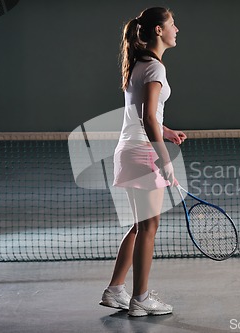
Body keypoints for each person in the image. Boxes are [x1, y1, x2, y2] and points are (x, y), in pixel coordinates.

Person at [99, 7, 186, 317]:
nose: (177, 29)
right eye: (172, 24)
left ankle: (115, 290)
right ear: (159, 31)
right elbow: (148, 117)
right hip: (143, 152)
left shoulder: (139, 65)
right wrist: (165, 160)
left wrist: (167, 130)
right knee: (150, 227)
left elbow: (144, 116)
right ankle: (141, 298)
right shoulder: (155, 69)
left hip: (127, 150)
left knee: (139, 226)